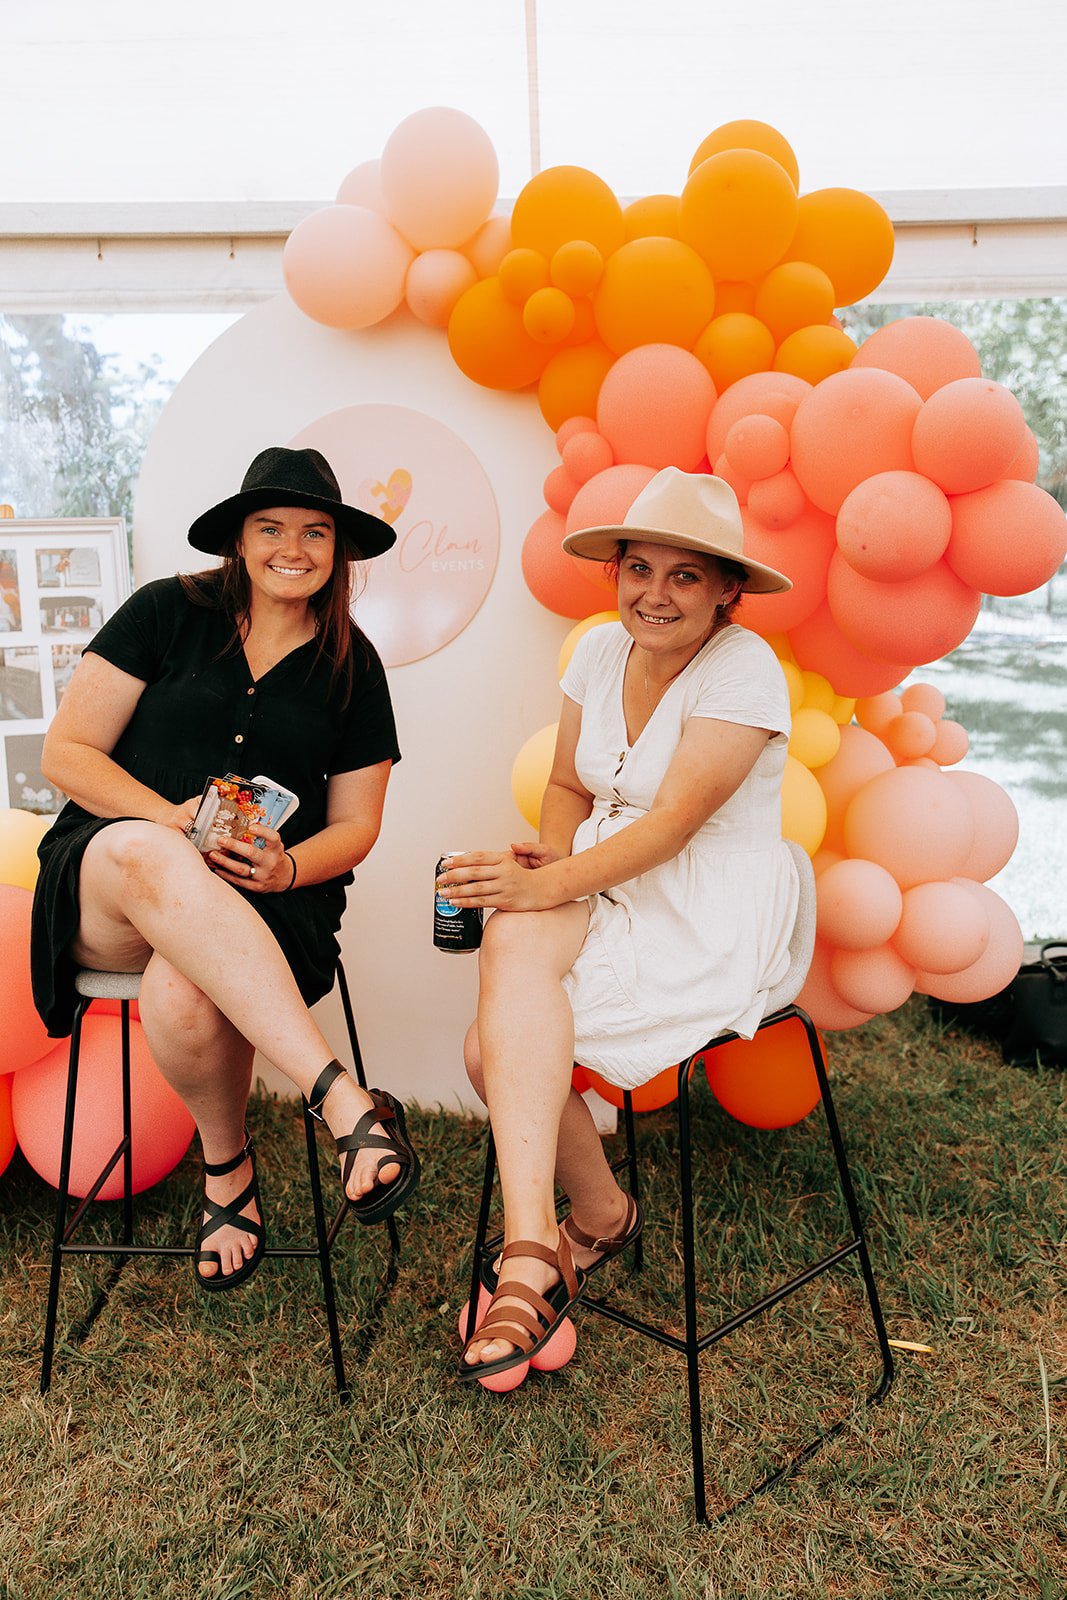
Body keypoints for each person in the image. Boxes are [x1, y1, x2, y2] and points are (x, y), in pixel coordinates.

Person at [31, 446, 420, 1291]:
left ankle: (227, 1169)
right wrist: (169, 819)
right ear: (239, 541)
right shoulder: (163, 612)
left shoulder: (354, 666)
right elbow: (66, 754)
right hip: (110, 881)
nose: (293, 548)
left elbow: (357, 827)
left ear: (338, 550)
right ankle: (341, 1099)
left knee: (184, 987)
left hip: (264, 902)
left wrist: (288, 868)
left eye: (315, 532)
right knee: (149, 850)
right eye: (270, 528)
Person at [440, 467, 799, 1380]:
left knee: (490, 1053)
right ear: (616, 574)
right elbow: (567, 782)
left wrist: (547, 886)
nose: (655, 593)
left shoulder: (743, 668)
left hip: (705, 909)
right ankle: (539, 1243)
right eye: (639, 568)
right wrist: (550, 866)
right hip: (607, 880)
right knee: (507, 955)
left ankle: (580, 1227)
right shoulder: (599, 651)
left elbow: (672, 825)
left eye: (685, 576)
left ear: (726, 590)